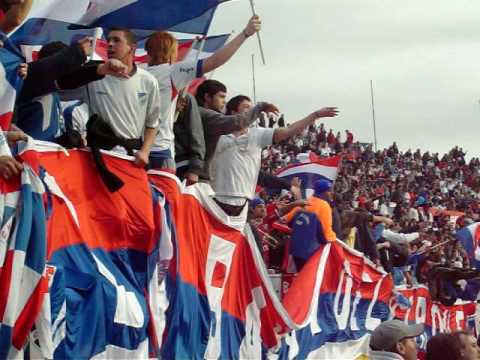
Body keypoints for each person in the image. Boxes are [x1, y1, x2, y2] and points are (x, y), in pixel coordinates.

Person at [145, 15, 262, 180]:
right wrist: (245, 33)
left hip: (137, 149)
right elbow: (214, 61)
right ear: (171, 52)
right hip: (161, 151)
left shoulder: (136, 74)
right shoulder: (172, 71)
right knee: (164, 202)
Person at [62, 28, 161, 191]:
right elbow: (63, 84)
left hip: (132, 157)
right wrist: (98, 68)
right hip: (100, 155)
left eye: (116, 40)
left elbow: (153, 122)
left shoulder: (148, 81)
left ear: (132, 47)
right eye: (108, 40)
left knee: (139, 215)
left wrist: (145, 151)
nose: (109, 44)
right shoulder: (96, 75)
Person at [209, 105, 338, 217]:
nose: (252, 111)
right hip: (214, 202)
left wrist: (315, 115)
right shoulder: (216, 137)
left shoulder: (256, 135)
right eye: (247, 107)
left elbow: (289, 130)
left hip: (241, 208)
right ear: (233, 112)